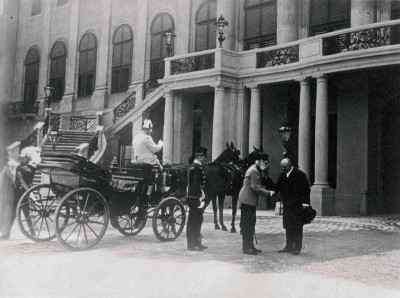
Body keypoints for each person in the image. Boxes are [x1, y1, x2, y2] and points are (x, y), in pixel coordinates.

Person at [239, 153, 275, 255]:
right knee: (247, 225)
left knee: (251, 223)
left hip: (249, 201)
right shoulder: (254, 171)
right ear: (260, 161)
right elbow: (256, 188)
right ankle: (246, 248)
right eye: (266, 162)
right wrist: (269, 193)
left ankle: (250, 246)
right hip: (247, 201)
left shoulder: (256, 169)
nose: (267, 165)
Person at [0, 147, 39, 240]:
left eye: (23, 158)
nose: (21, 159)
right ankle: (7, 233)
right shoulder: (21, 167)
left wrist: (17, 166)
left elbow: (25, 174)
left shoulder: (30, 168)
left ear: (28, 158)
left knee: (26, 214)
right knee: (13, 213)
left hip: (24, 193)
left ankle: (32, 233)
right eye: (21, 158)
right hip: (17, 193)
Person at [274, 157, 310, 255]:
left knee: (297, 226)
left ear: (290, 165)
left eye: (284, 167)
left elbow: (306, 190)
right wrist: (270, 192)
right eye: (281, 167)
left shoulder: (300, 174)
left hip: (297, 206)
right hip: (287, 205)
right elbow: (277, 187)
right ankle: (288, 246)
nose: (283, 169)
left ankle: (297, 247)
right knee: (288, 226)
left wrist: (305, 203)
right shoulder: (282, 175)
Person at [132, 119, 165, 193]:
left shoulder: (136, 137)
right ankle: (161, 190)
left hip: (137, 160)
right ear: (147, 130)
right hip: (147, 160)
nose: (151, 132)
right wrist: (161, 143)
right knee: (161, 169)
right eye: (150, 130)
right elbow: (156, 149)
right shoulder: (147, 137)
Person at [186, 146, 208, 251]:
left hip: (197, 197)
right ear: (199, 156)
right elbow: (196, 185)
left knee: (198, 219)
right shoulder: (195, 167)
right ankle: (191, 244)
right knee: (193, 221)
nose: (205, 159)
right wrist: (200, 198)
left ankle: (196, 242)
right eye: (204, 157)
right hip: (194, 197)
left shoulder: (197, 167)